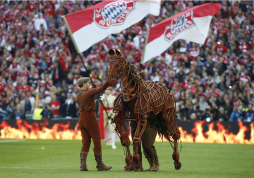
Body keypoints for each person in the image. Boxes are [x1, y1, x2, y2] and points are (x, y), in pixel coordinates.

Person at [76, 77, 111, 171]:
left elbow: (86, 100)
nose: (89, 84)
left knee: (86, 143)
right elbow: (101, 89)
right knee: (97, 142)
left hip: (81, 119)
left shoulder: (78, 95)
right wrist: (108, 81)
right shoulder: (89, 92)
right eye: (88, 83)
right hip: (90, 118)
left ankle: (83, 165)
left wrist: (94, 98)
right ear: (83, 84)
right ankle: (99, 165)